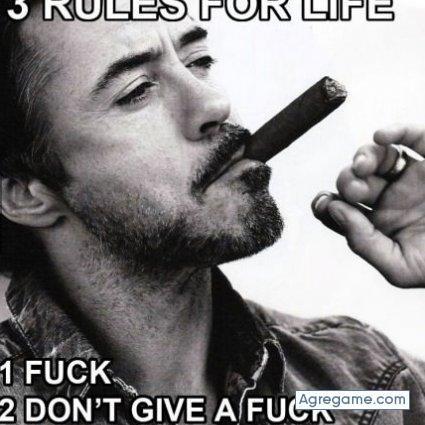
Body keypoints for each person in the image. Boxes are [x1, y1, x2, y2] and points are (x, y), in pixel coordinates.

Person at [0, 1, 424, 424]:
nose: (214, 103)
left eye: (198, 61)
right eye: (136, 91)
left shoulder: (364, 388)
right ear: (24, 195)